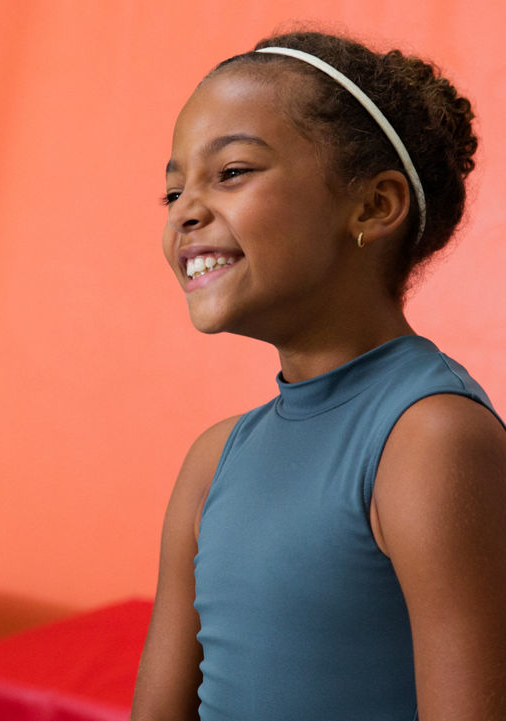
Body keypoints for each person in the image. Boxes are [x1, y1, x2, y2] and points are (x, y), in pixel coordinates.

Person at [131, 29, 506, 721]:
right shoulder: (213, 462)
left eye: (232, 171)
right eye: (174, 190)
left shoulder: (428, 439)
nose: (186, 209)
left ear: (373, 207)